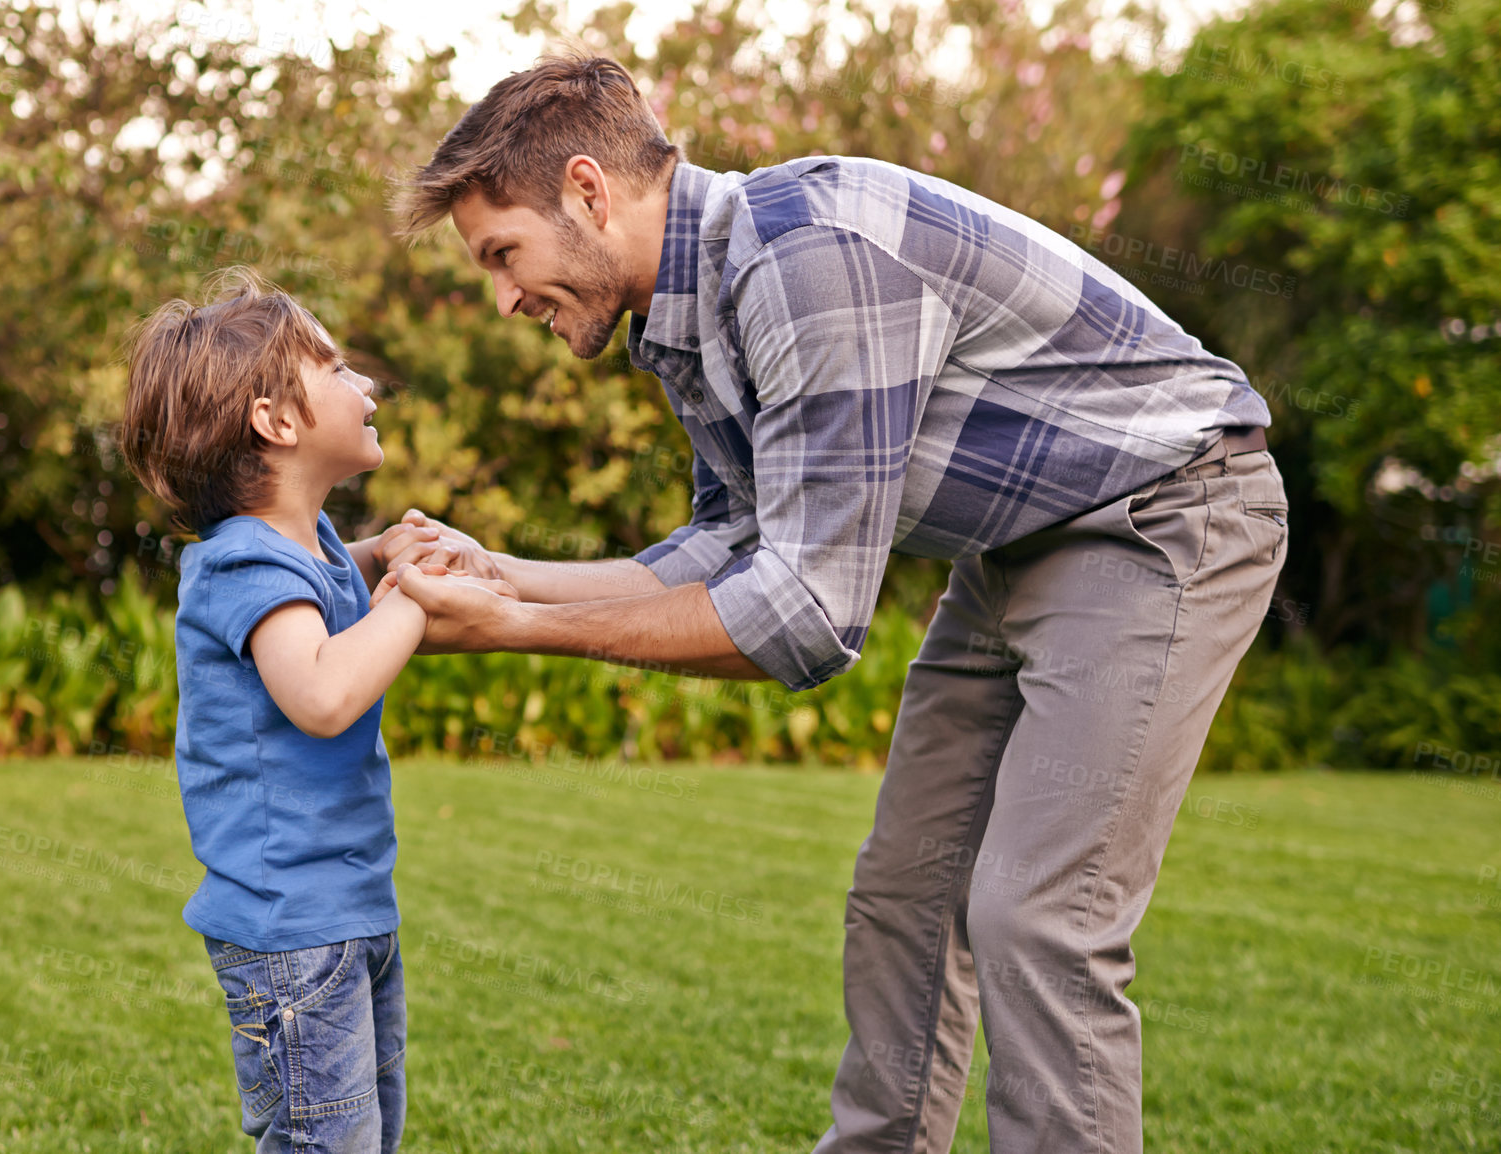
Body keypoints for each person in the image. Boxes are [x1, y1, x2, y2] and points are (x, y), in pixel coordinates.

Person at [381, 53, 1289, 1154]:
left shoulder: (806, 257)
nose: (503, 295)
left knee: (1038, 916)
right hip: (1012, 550)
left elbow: (805, 614)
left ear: (587, 190)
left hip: (1162, 511)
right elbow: (732, 544)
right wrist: (500, 575)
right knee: (903, 893)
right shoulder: (683, 311)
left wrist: (521, 627)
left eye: (501, 254)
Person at [119, 267, 514, 1153]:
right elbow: (324, 694)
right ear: (278, 422)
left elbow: (327, 594)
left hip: (346, 909)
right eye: (337, 369)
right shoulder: (242, 564)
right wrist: (410, 598)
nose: (365, 383)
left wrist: (379, 559)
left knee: (364, 1135)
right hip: (292, 931)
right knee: (323, 1142)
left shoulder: (309, 545)